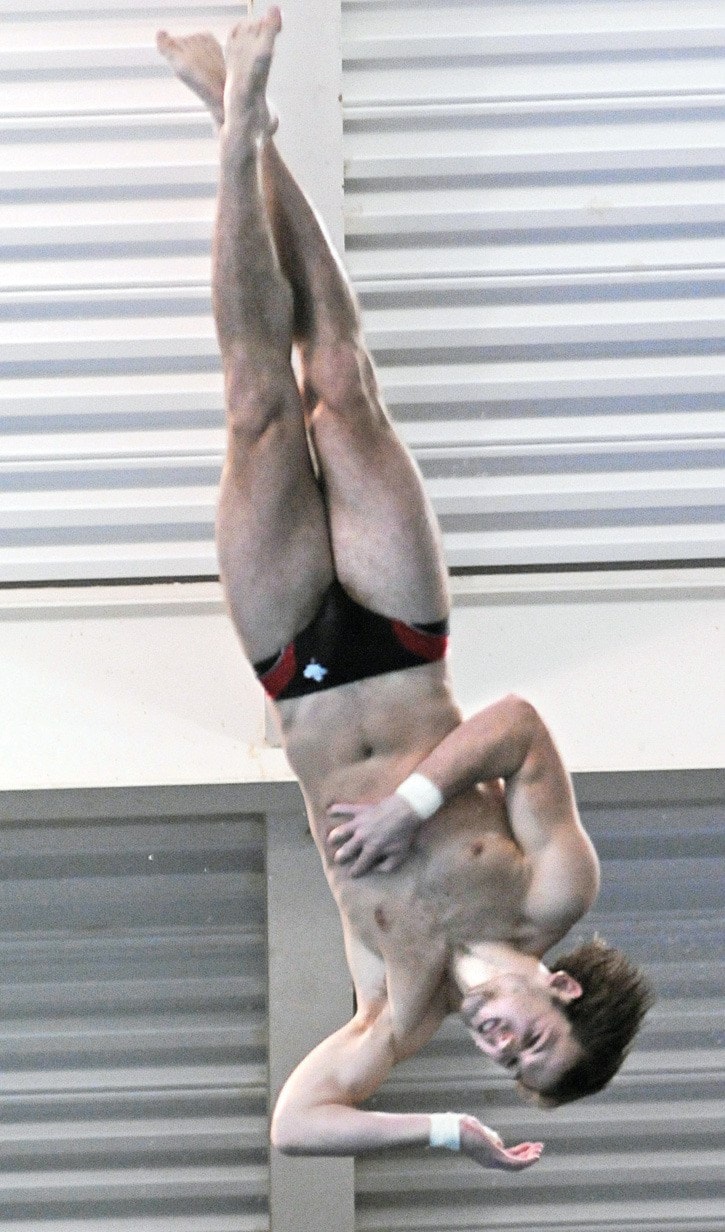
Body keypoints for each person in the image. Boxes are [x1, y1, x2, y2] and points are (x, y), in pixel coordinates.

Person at [157, 8, 652, 1171]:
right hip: (398, 635)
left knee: (253, 401)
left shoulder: (398, 1005)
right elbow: (517, 729)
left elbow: (295, 1123)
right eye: (531, 1049)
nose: (499, 1053)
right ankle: (250, 122)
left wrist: (446, 1128)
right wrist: (412, 808)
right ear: (562, 987)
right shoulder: (551, 889)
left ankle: (237, 137)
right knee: (339, 380)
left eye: (509, 1070)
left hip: (296, 669)